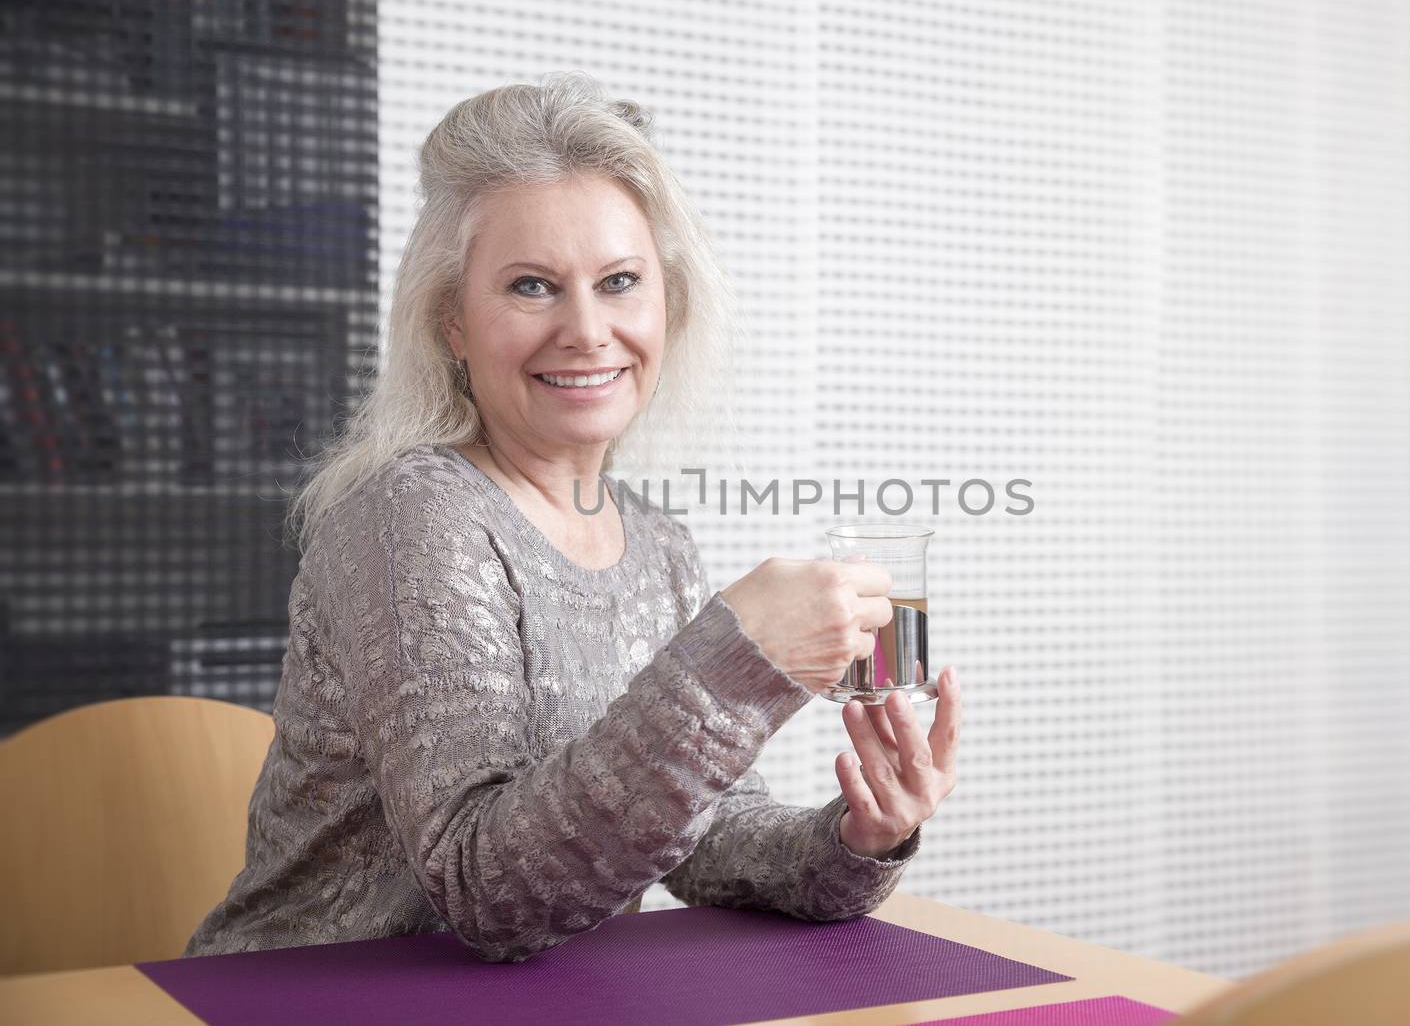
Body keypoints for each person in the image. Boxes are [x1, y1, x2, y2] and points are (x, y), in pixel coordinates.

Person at [184, 74, 961, 964]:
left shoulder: (659, 543)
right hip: (304, 997)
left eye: (620, 281)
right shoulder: (414, 519)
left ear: (665, 303)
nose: (588, 330)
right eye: (531, 286)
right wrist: (739, 658)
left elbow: (704, 831)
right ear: (453, 323)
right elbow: (485, 886)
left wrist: (859, 835)